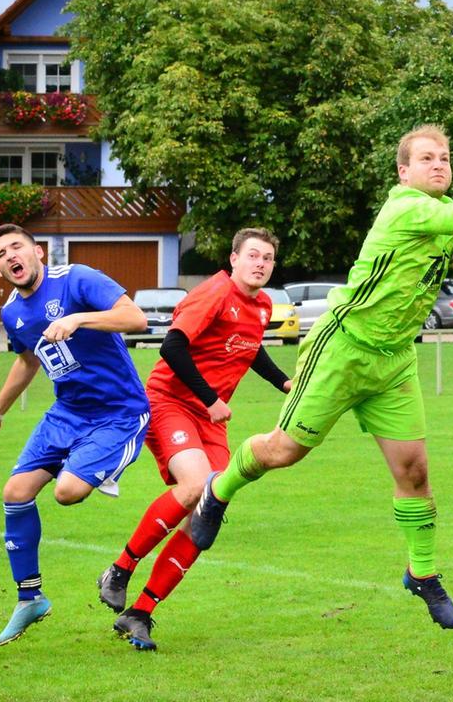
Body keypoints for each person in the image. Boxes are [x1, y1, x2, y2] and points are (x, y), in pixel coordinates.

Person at [188, 124, 453, 630]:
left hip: (393, 362)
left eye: (445, 158)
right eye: (428, 158)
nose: (439, 165)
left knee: (415, 472)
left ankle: (423, 573)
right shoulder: (408, 207)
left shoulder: (442, 217)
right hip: (342, 351)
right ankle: (218, 489)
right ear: (403, 171)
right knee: (283, 451)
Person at [97, 228, 292, 650]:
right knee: (195, 487)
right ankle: (119, 569)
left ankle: (140, 613)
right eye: (253, 255)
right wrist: (210, 398)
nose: (261, 263)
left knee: (206, 514)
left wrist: (283, 383)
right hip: (171, 403)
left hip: (210, 420)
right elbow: (172, 346)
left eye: (268, 258)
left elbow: (249, 348)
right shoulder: (213, 293)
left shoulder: (261, 305)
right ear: (234, 258)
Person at [0, 223, 150, 646]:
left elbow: (136, 318)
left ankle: (103, 466)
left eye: (16, 247)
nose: (10, 257)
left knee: (67, 492)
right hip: (67, 412)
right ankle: (30, 598)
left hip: (118, 412)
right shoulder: (11, 313)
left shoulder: (76, 279)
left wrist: (78, 318)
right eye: (1, 254)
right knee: (15, 492)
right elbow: (27, 361)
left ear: (38, 252)